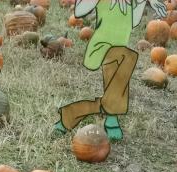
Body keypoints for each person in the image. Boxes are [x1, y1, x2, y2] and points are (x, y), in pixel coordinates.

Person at [55, 0, 167, 142]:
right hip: (99, 47)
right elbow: (79, 11)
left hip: (118, 49)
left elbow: (132, 22)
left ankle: (76, 114)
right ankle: (111, 118)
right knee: (128, 57)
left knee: (122, 61)